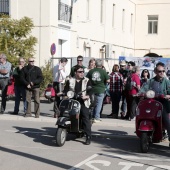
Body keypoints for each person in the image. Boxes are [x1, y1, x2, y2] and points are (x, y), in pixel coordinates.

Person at [140, 62, 170, 147]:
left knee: (167, 120)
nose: (162, 73)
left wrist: (168, 95)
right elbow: (143, 88)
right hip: (152, 103)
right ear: (155, 71)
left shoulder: (167, 81)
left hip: (163, 104)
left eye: (163, 71)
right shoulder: (151, 81)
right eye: (159, 71)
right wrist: (140, 93)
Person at [61, 65, 93, 145]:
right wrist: (62, 93)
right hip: (72, 101)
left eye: (83, 72)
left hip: (83, 102)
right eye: (80, 72)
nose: (82, 73)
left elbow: (91, 91)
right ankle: (65, 128)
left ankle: (88, 136)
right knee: (65, 113)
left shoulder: (87, 80)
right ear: (75, 73)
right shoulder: (70, 80)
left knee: (85, 116)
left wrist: (87, 96)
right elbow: (66, 90)